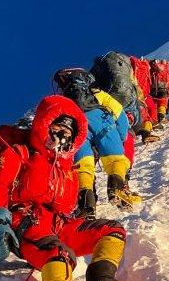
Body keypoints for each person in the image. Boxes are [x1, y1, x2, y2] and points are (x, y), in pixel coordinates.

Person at [0, 95, 143, 281]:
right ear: (44, 124)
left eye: (69, 130)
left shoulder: (68, 170)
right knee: (58, 251)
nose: (63, 133)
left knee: (111, 230)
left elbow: (66, 208)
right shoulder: (19, 152)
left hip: (57, 224)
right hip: (23, 222)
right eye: (58, 126)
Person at [53, 69, 142, 216]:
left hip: (78, 130)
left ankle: (86, 206)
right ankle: (116, 189)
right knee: (116, 161)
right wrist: (120, 137)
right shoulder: (95, 92)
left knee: (84, 167)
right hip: (104, 126)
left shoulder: (65, 100)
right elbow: (119, 113)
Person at [148, 59, 169, 128]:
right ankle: (161, 118)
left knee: (154, 105)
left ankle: (154, 121)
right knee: (162, 103)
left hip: (153, 90)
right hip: (164, 89)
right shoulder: (165, 71)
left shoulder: (151, 71)